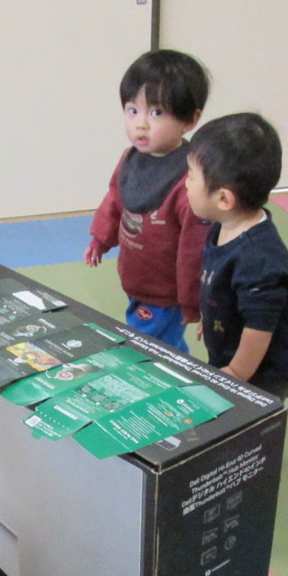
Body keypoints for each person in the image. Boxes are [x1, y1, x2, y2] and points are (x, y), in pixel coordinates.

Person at [184, 113, 288, 399]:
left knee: (253, 408)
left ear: (223, 199)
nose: (185, 182)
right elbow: (220, 282)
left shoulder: (257, 261)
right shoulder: (223, 225)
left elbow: (259, 328)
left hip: (265, 369)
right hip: (234, 344)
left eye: (191, 176)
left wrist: (237, 374)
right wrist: (211, 318)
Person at [84, 49, 211, 352]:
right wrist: (100, 239)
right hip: (137, 278)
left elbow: (195, 248)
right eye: (132, 110)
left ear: (190, 119)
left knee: (153, 347)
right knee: (161, 343)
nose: (140, 124)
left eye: (156, 113)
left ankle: (172, 377)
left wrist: (192, 301)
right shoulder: (131, 158)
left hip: (166, 292)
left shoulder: (188, 181)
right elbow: (115, 199)